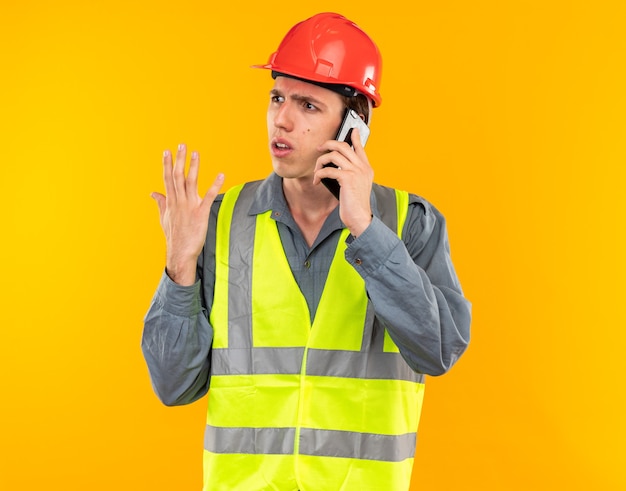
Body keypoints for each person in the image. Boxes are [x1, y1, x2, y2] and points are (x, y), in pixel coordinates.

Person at [142, 12, 471, 491]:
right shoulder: (220, 221)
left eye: (309, 106)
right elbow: (173, 386)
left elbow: (438, 351)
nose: (283, 118)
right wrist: (180, 265)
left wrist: (366, 227)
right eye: (277, 98)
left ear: (354, 124)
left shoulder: (410, 223)